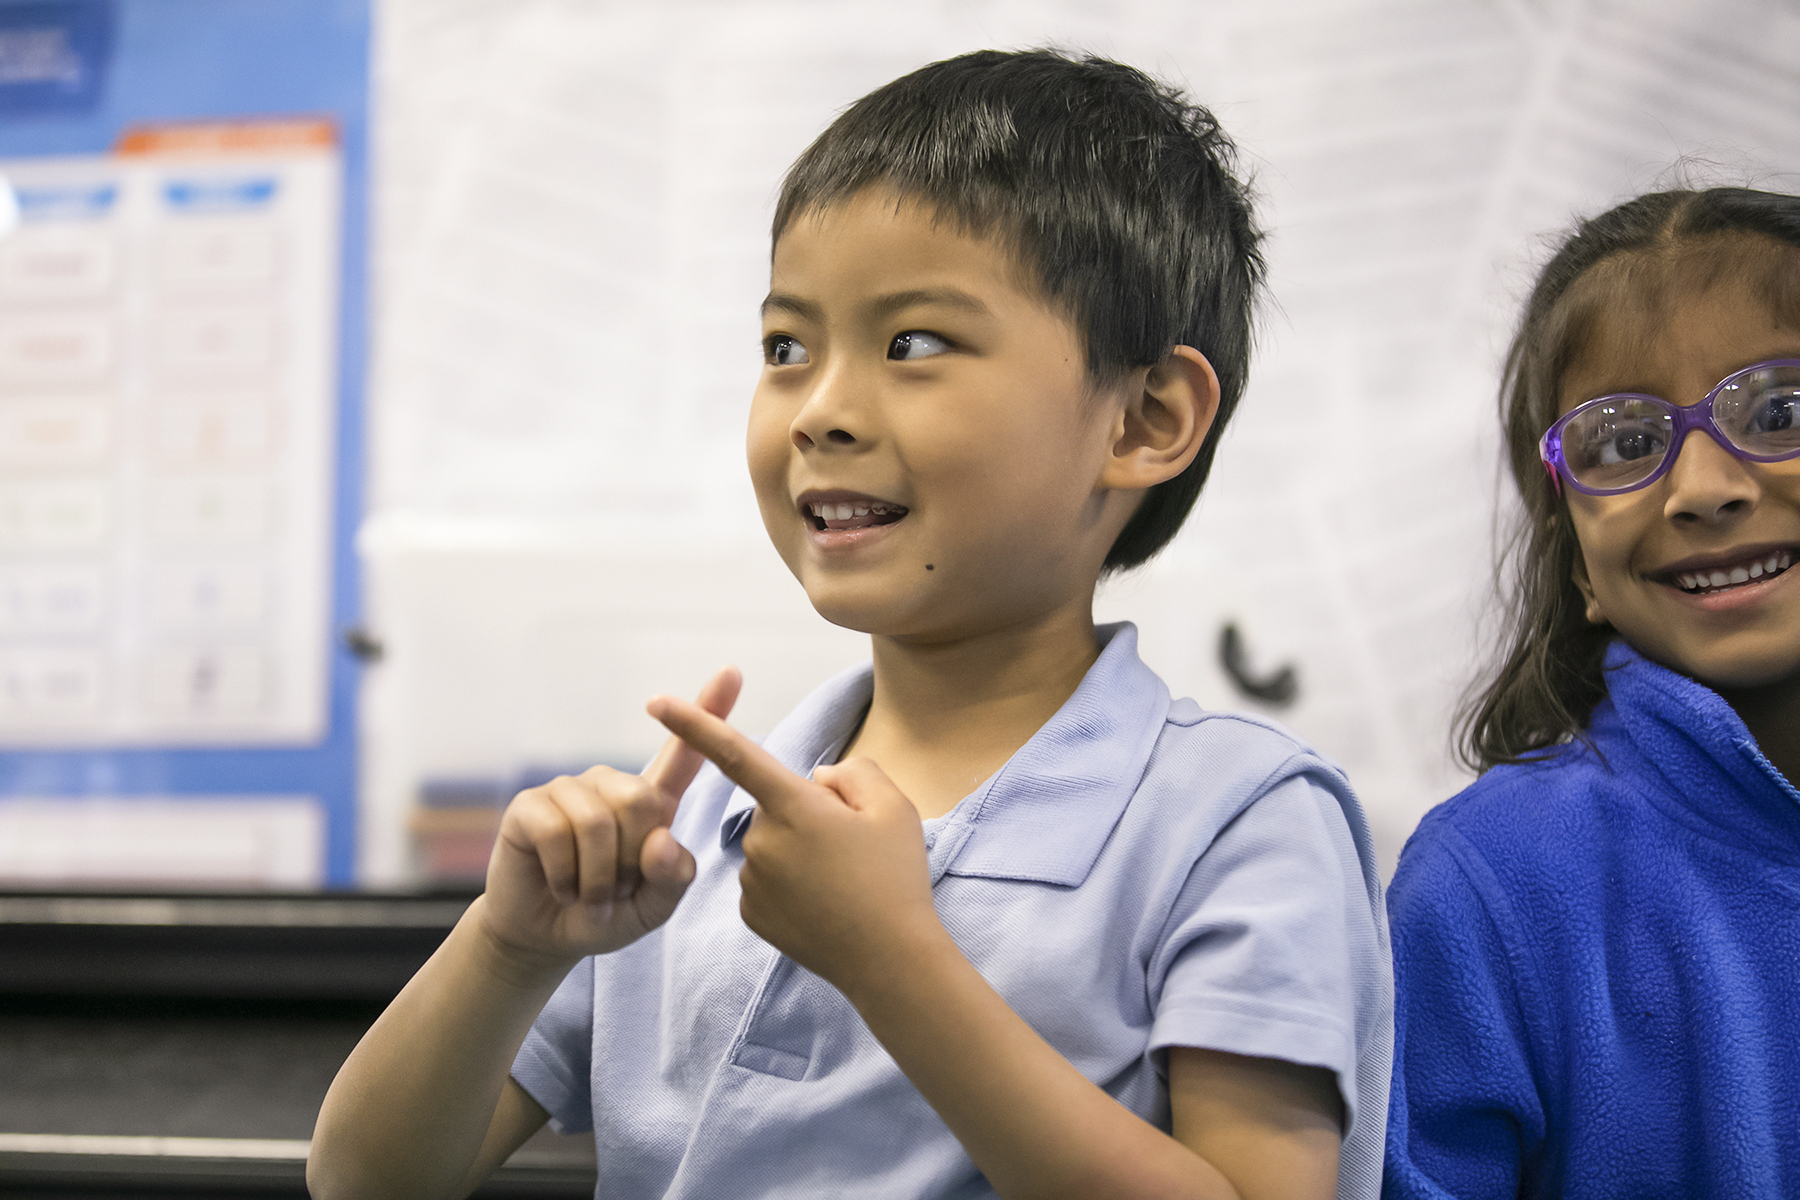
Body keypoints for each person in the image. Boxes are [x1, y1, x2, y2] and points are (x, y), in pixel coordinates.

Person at [312, 49, 1390, 1200]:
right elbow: (365, 1179)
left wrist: (892, 959)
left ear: (1146, 418)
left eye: (913, 344)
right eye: (786, 347)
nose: (819, 409)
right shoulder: (712, 816)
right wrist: (508, 947)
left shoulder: (1241, 823)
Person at [1383, 186, 1800, 1198]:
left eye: (1782, 411)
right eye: (1622, 443)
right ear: (1573, 559)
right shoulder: (1485, 883)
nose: (1704, 486)